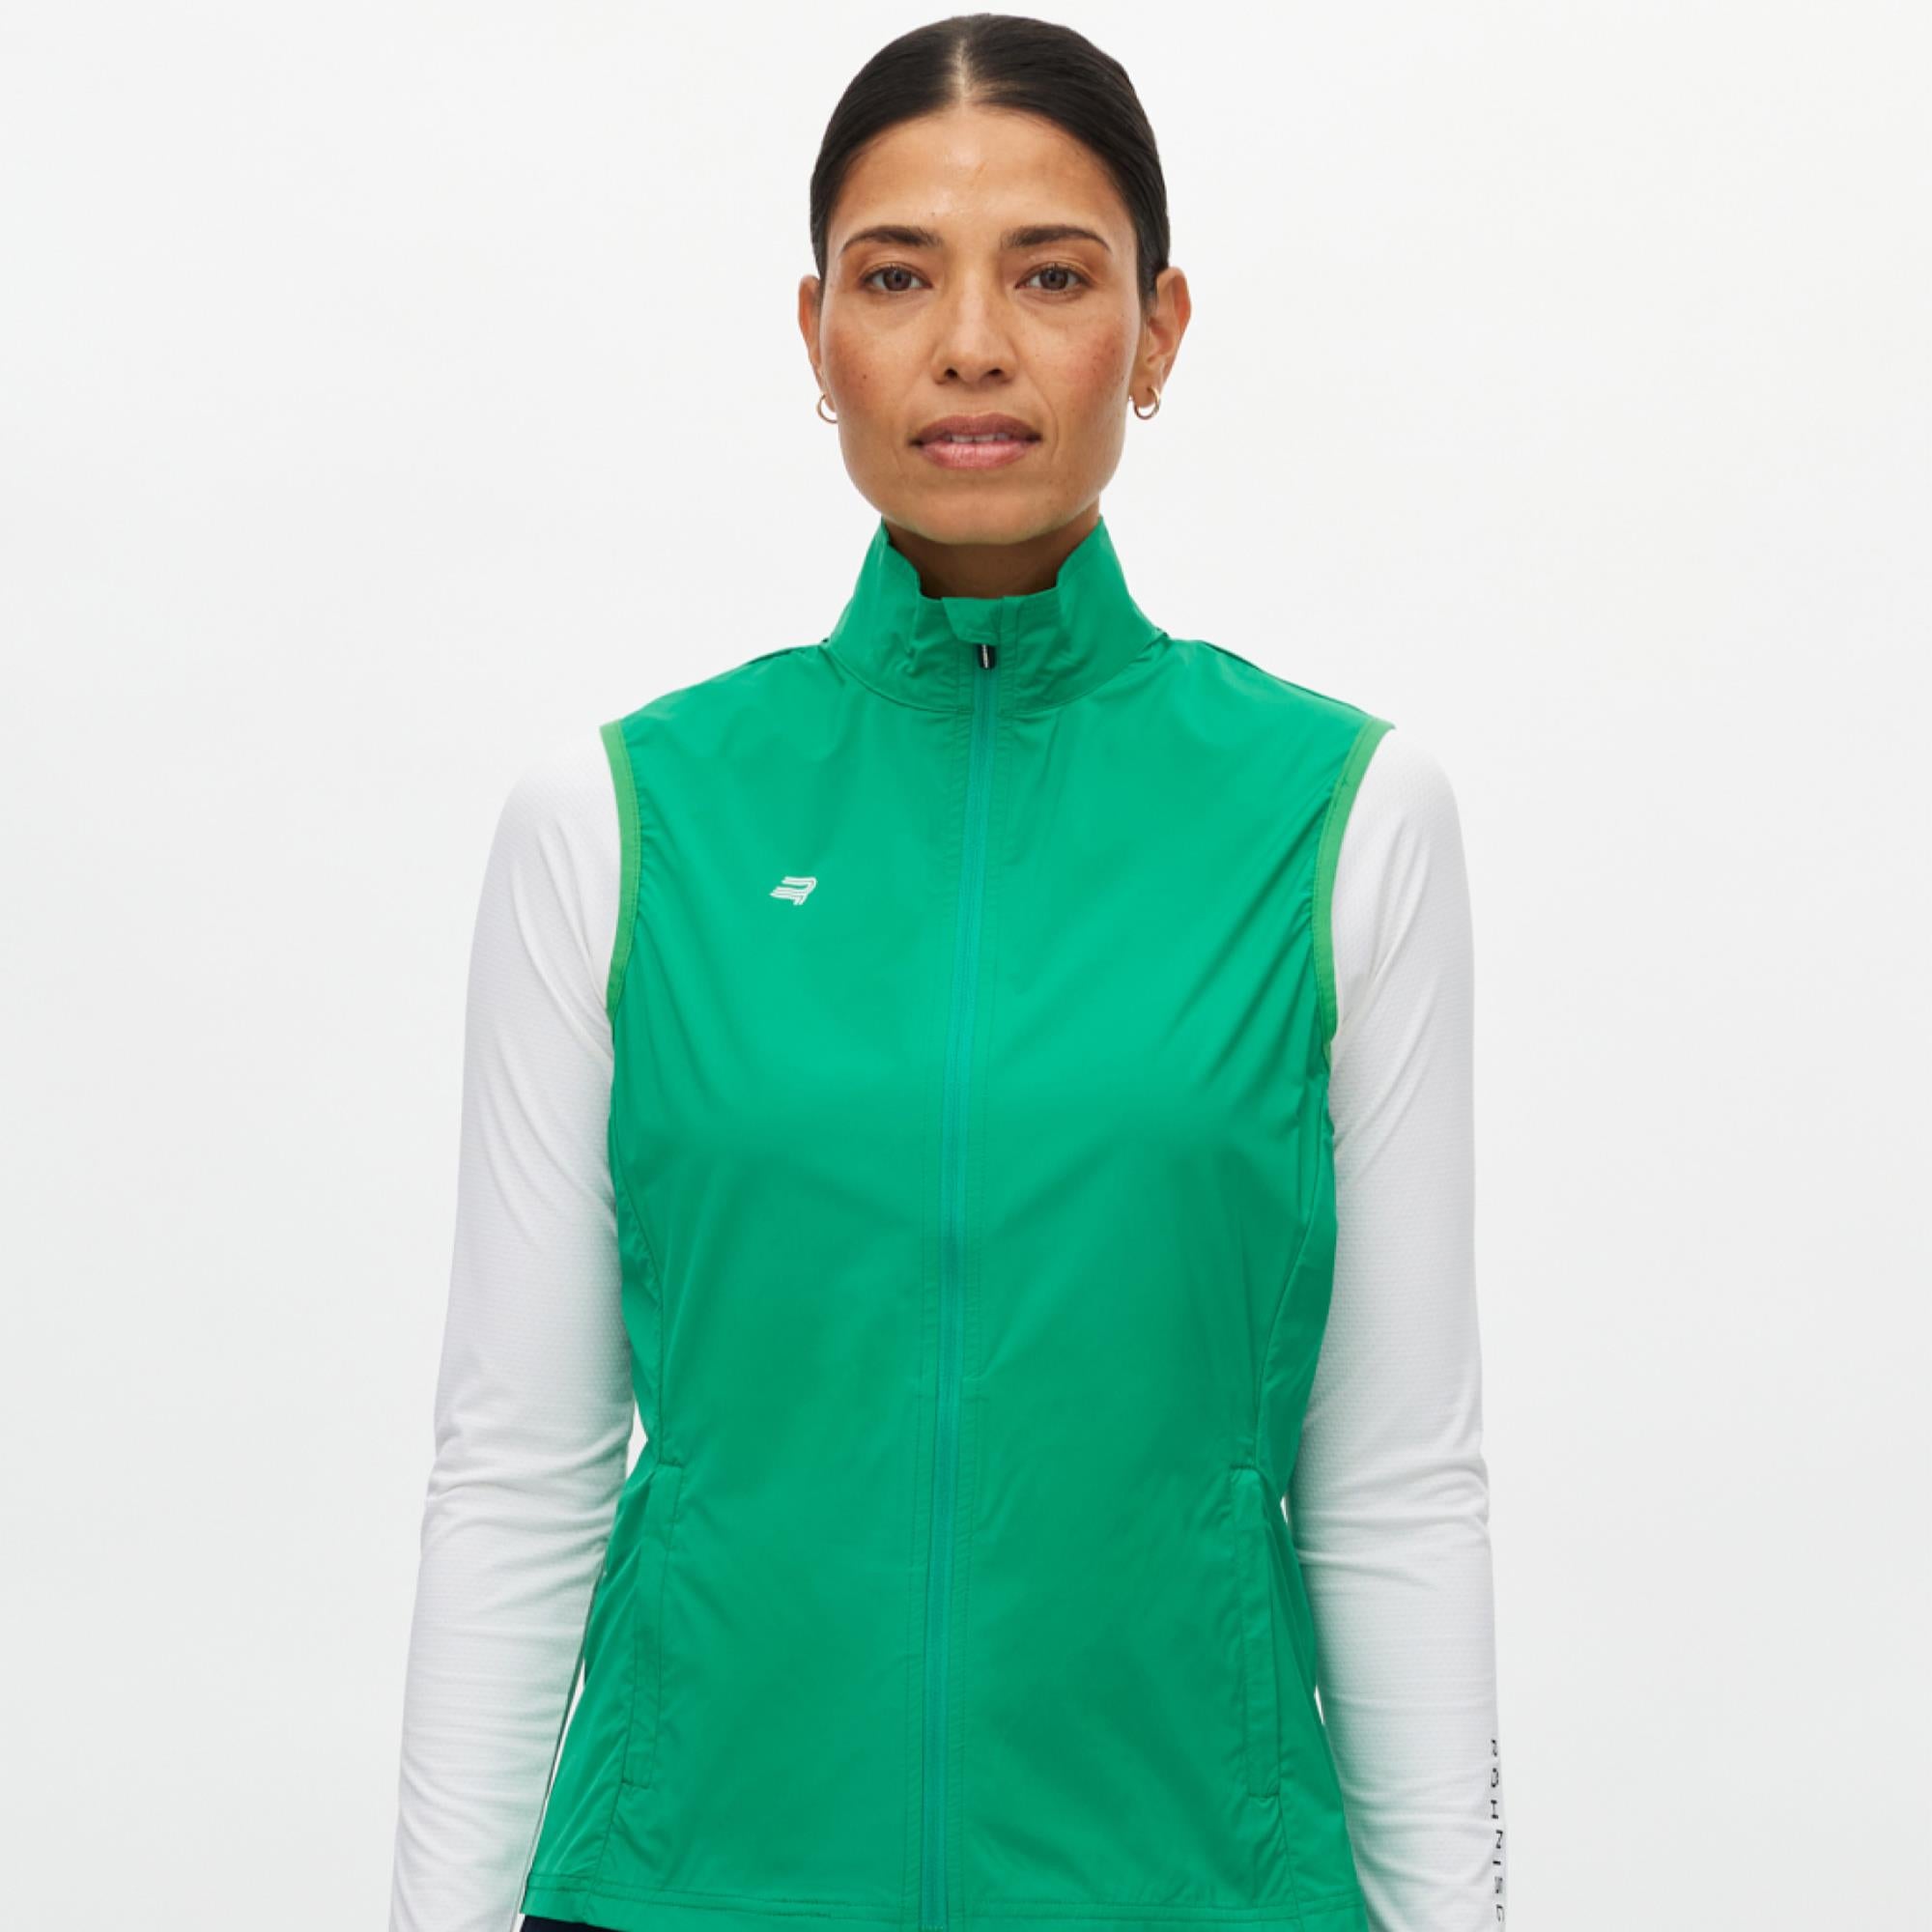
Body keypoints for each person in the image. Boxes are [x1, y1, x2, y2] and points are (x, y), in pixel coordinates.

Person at [388, 15, 1506, 1932]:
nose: (971, 344)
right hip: (694, 1888)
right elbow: (518, 1467)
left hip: (1193, 1889)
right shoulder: (621, 816)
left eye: (1051, 276)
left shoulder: (1341, 815)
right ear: (815, 331)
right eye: (897, 276)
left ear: (1155, 332)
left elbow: (1394, 1478)